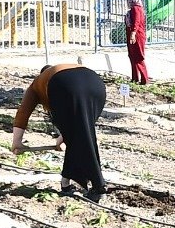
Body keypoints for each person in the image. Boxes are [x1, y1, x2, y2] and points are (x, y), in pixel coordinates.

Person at [12, 63, 108, 198]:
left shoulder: (38, 84)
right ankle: (66, 182)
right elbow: (77, 122)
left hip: (66, 85)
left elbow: (23, 112)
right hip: (96, 84)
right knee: (80, 135)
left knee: (79, 136)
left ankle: (98, 185)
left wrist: (17, 142)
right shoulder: (63, 71)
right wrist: (63, 138)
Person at [125, 0, 149, 85]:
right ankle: (135, 78)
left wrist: (133, 33)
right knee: (132, 56)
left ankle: (144, 79)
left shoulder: (136, 9)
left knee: (138, 56)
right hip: (132, 34)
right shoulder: (133, 9)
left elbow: (136, 22)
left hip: (137, 35)